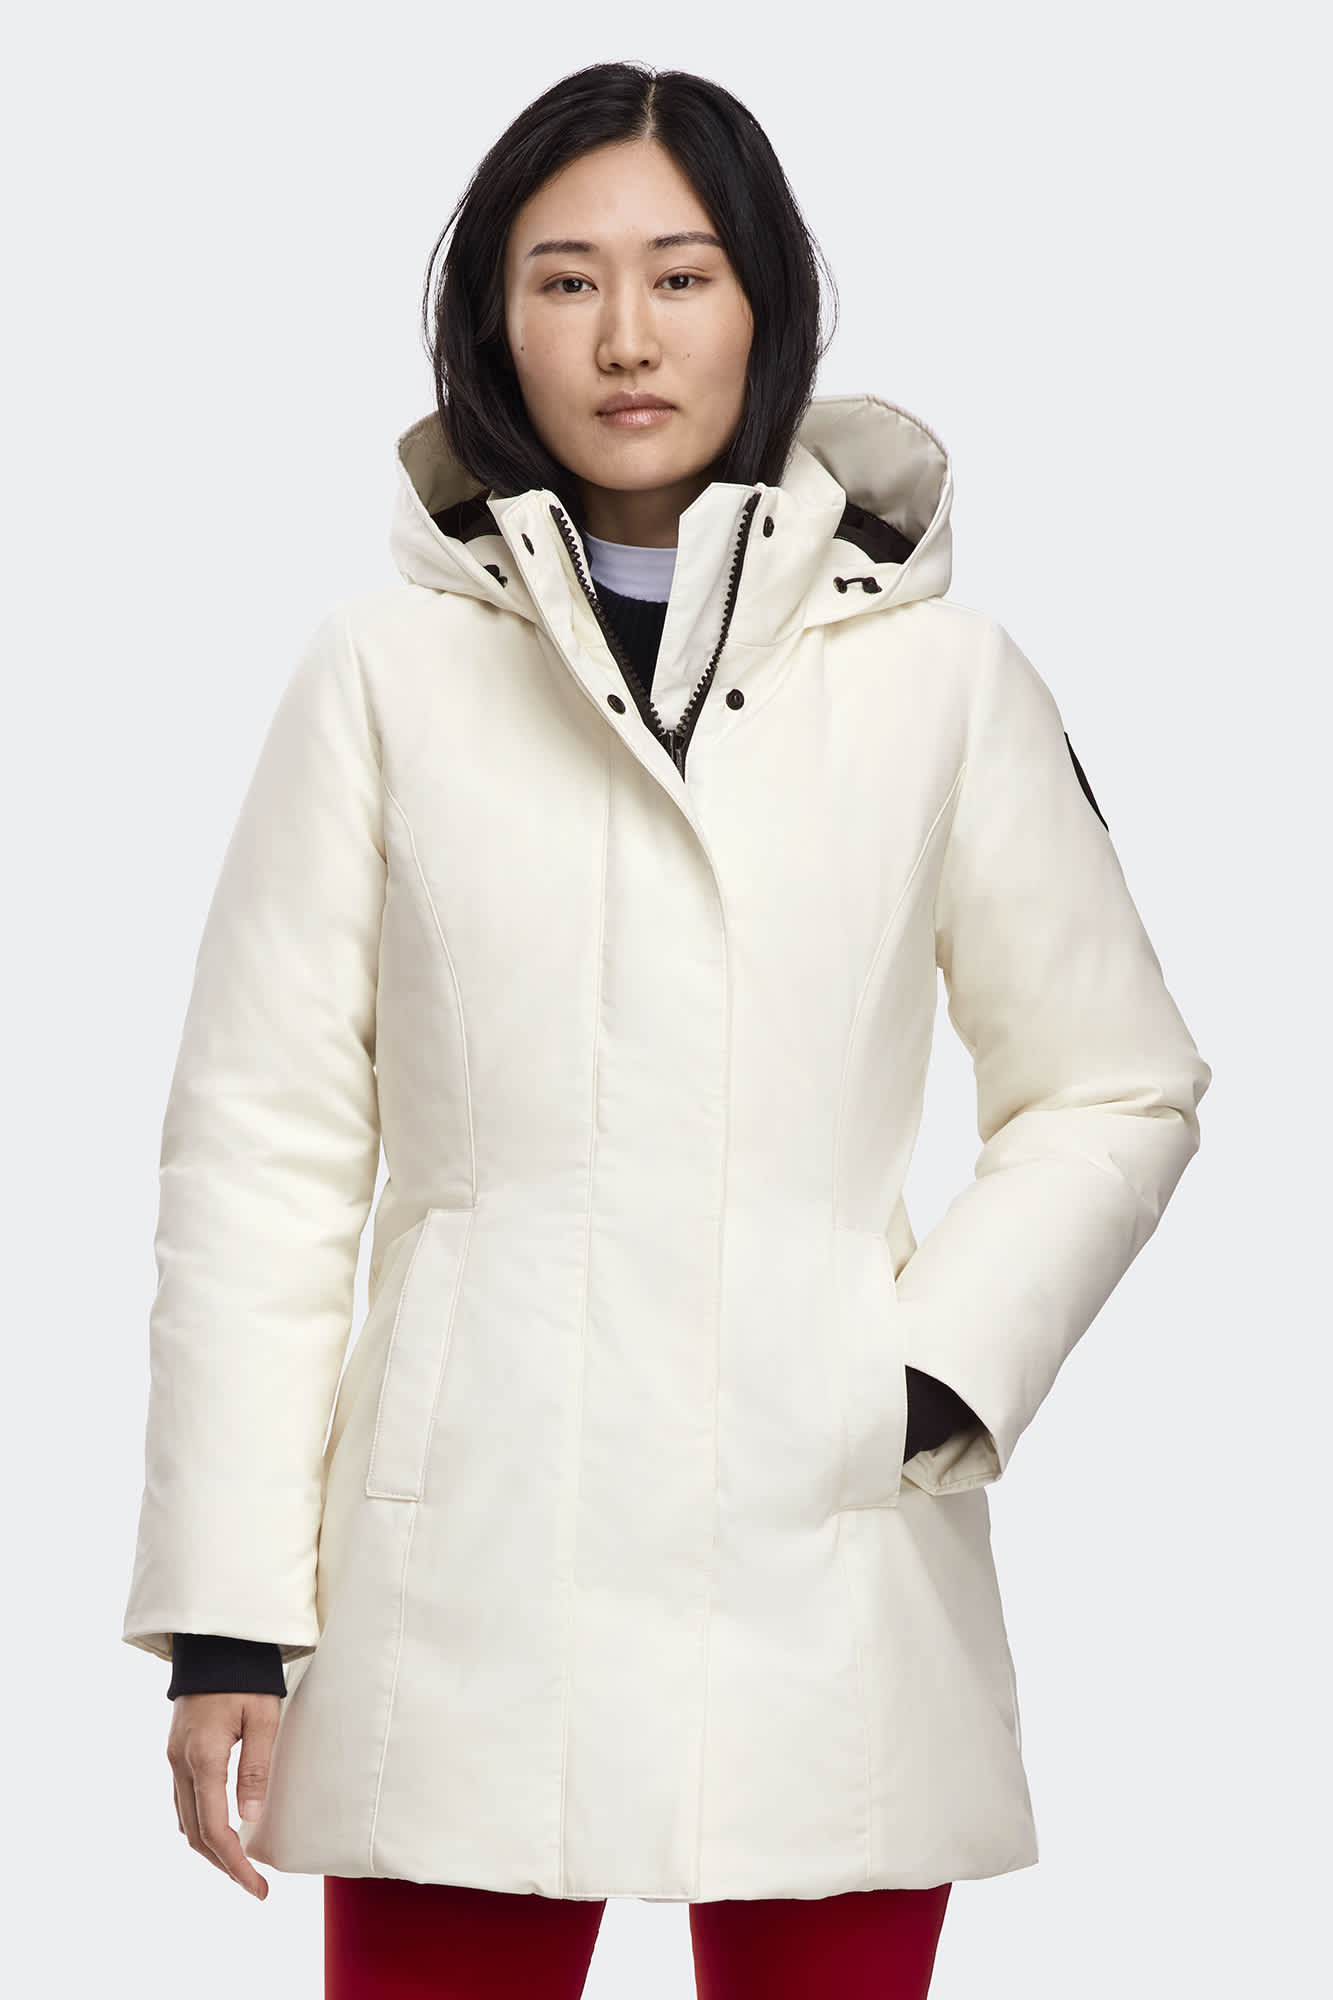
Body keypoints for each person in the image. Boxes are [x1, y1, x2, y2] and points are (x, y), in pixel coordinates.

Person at [121, 59, 1212, 2000]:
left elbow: (1112, 1082)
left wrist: (929, 1372)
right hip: (466, 1558)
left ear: (765, 302)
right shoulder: (382, 677)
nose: (625, 335)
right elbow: (262, 1150)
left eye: (680, 274)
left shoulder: (944, 685)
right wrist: (227, 1617)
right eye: (564, 279)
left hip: (821, 1539)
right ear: (494, 321)